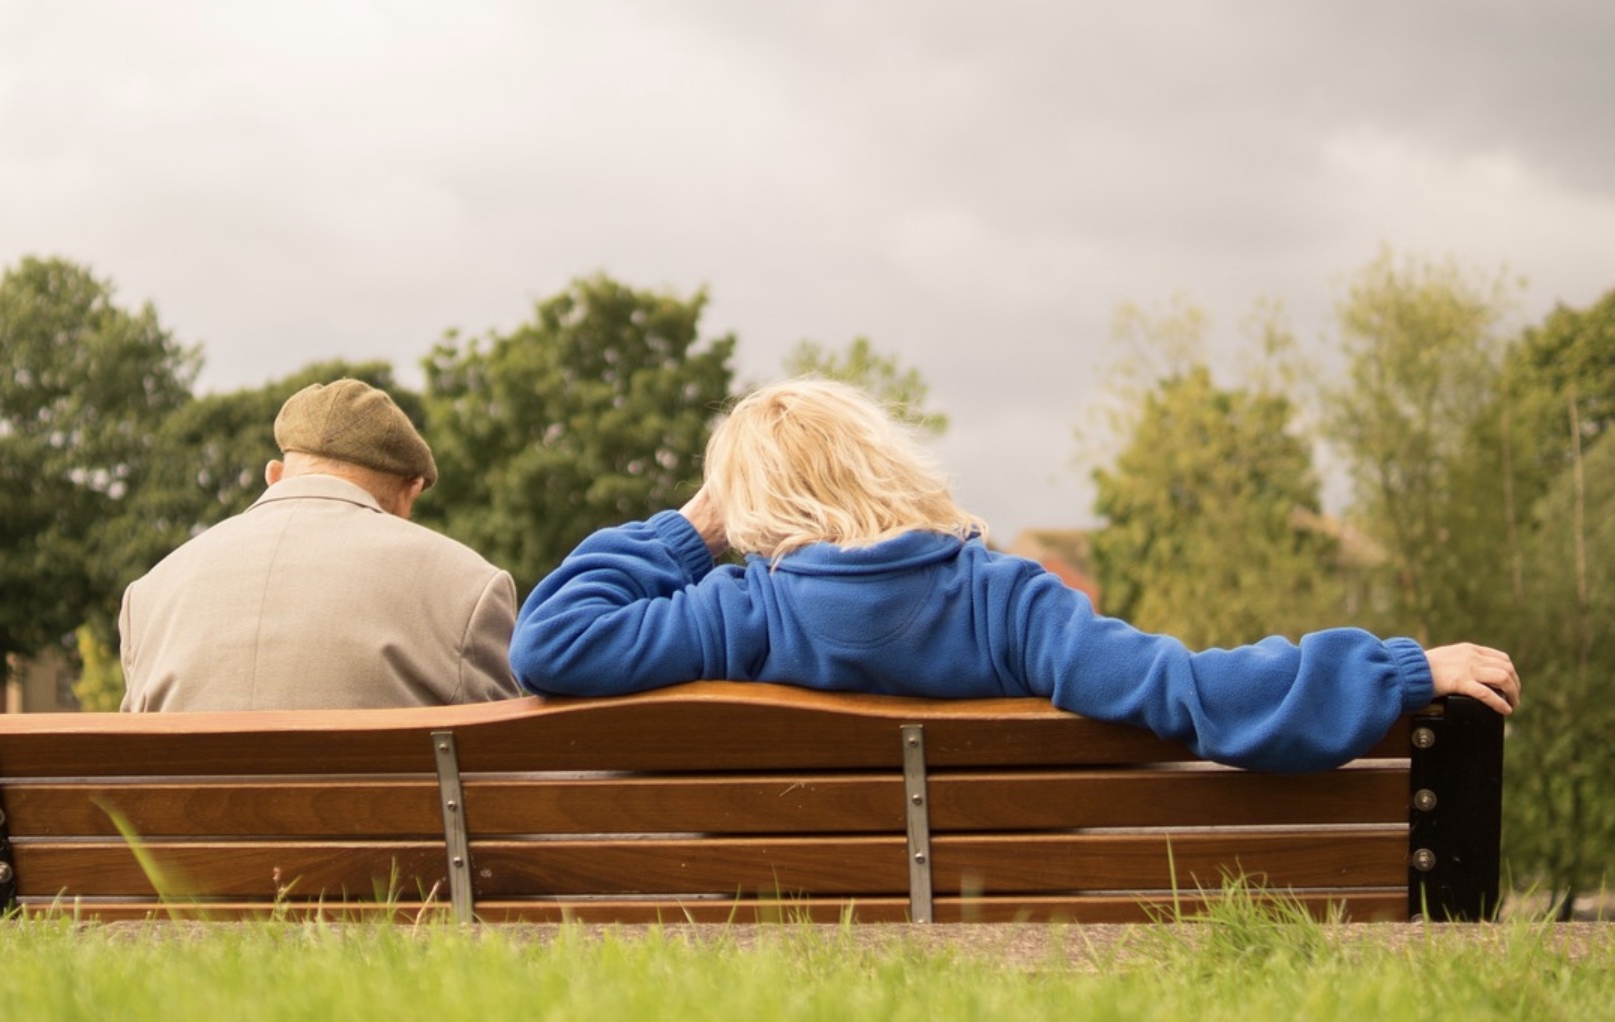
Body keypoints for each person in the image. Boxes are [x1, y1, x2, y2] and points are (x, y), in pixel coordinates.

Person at [509, 377, 1519, 773]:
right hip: (1002, 907)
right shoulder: (1008, 600)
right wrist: (1393, 671)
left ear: (752, 508)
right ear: (887, 465)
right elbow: (1187, 690)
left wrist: (692, 530)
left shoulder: (737, 611)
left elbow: (550, 641)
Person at [120, 378, 520, 711]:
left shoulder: (148, 595)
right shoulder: (469, 586)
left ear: (274, 474)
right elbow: (504, 770)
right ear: (410, 489)